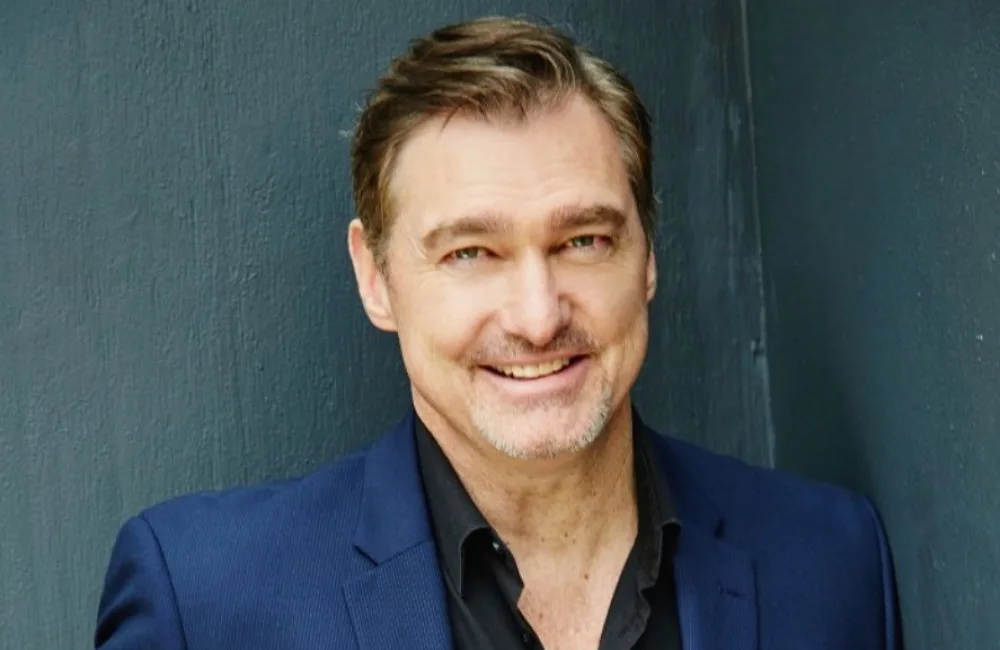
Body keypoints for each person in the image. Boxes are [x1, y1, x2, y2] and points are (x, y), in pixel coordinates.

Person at [95, 16, 901, 650]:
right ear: (375, 277)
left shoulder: (828, 559)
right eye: (471, 252)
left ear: (648, 255)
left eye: (583, 240)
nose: (538, 316)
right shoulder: (203, 602)